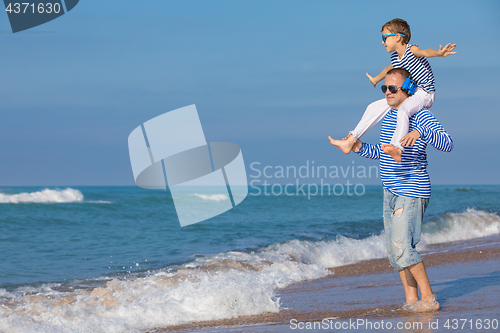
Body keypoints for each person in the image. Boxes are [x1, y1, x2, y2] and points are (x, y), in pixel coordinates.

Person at [348, 68, 453, 311]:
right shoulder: (389, 117)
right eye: (384, 88)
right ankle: (410, 301)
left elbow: (447, 143)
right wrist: (360, 147)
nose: (386, 92)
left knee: (404, 247)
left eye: (392, 88)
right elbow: (383, 153)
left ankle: (429, 299)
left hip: (412, 191)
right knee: (395, 252)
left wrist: (419, 132)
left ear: (407, 89)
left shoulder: (421, 116)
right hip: (390, 191)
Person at [329, 18, 456, 163]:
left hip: (424, 93)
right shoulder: (395, 58)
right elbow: (387, 70)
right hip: (410, 92)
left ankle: (397, 148)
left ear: (397, 37)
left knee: (403, 111)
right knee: (373, 106)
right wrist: (376, 79)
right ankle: (351, 140)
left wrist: (439, 54)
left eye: (385, 38)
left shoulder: (411, 50)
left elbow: (425, 52)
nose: (383, 42)